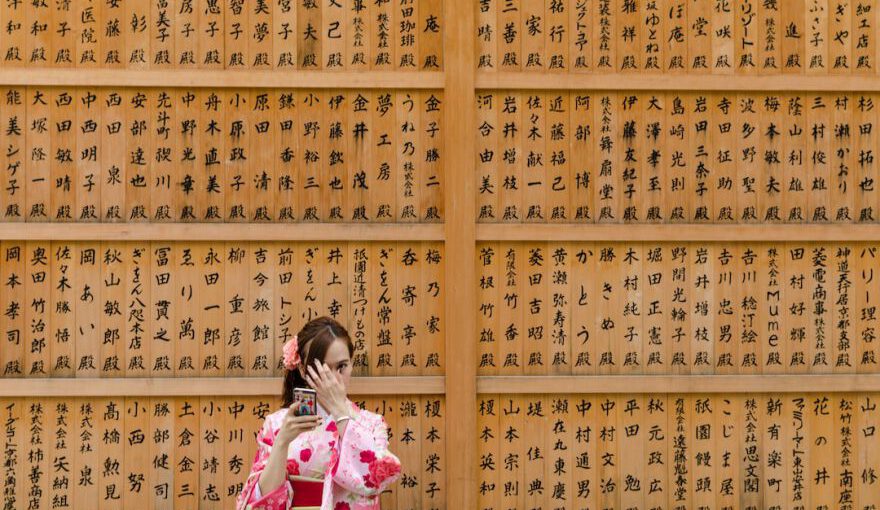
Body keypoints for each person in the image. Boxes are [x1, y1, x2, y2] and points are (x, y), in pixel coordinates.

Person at [236, 317, 402, 510]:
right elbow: (261, 502)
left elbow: (377, 480)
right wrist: (282, 441)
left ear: (351, 364)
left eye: (341, 366)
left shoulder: (371, 424)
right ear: (302, 368)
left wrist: (340, 412)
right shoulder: (277, 423)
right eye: (321, 368)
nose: (331, 378)